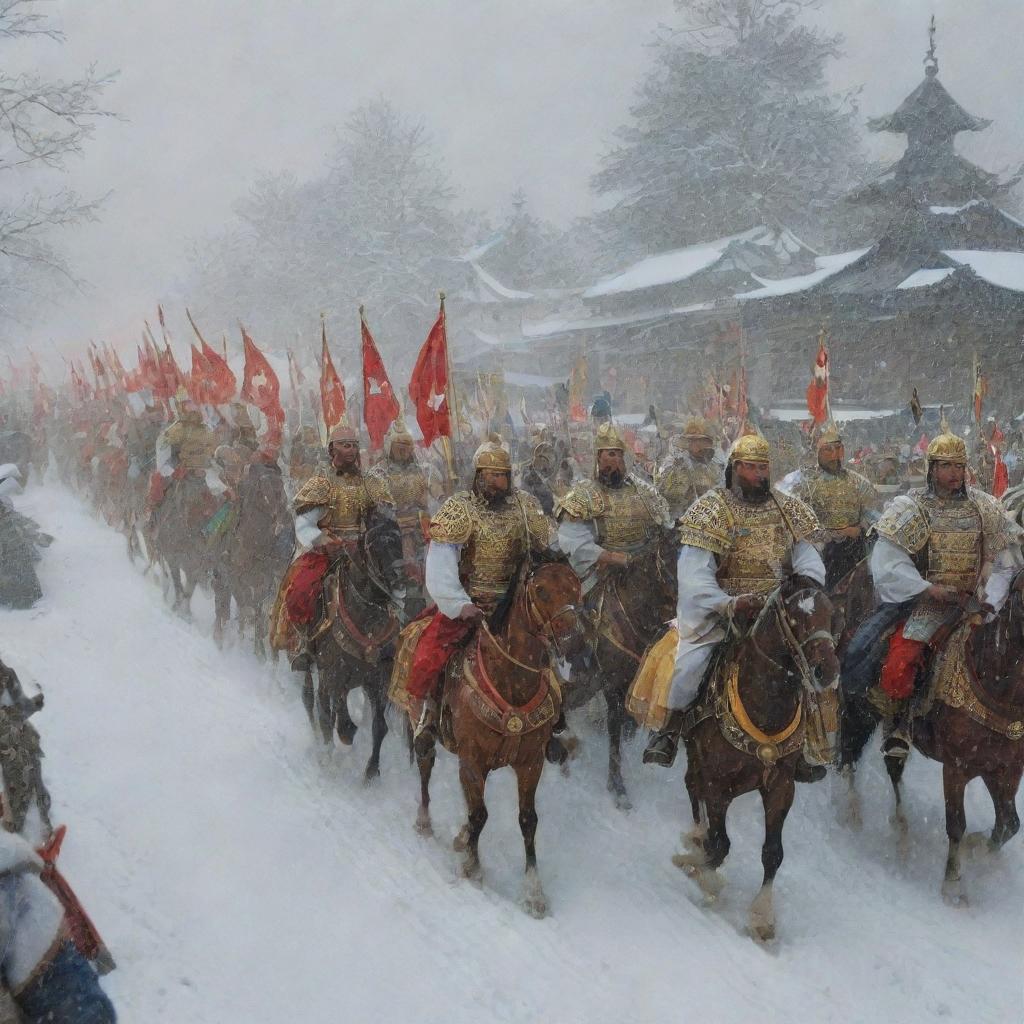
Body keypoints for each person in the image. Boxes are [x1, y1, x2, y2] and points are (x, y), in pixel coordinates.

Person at [643, 432, 828, 779]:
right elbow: (695, 574)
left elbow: (807, 556)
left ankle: (808, 746)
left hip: (779, 612)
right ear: (734, 468)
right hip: (724, 611)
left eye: (763, 467)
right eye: (751, 467)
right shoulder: (712, 509)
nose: (759, 474)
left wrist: (803, 586)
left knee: (816, 661)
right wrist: (728, 603)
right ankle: (669, 729)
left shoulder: (788, 508)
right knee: (689, 665)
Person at [846, 422, 1021, 759]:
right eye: (946, 466)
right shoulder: (912, 508)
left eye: (959, 465)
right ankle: (899, 723)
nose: (955, 473)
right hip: (926, 605)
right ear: (932, 469)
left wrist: (992, 601)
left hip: (977, 604)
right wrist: (928, 589)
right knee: (900, 661)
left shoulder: (985, 507)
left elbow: (1005, 560)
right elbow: (888, 560)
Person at [405, 437, 552, 736]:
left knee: (552, 651)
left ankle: (553, 717)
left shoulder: (524, 506)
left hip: (515, 606)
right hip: (472, 603)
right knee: (430, 652)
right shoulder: (460, 509)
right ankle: (425, 711)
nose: (500, 481)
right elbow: (441, 563)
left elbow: (548, 547)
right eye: (494, 475)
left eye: (504, 475)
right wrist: (460, 605)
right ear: (479, 476)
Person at [271, 424, 398, 670]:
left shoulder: (369, 483)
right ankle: (306, 643)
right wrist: (321, 539)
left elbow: (382, 515)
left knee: (393, 587)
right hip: (328, 551)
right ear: (333, 449)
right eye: (344, 445)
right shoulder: (322, 483)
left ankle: (389, 644)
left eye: (353, 445)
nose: (350, 451)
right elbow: (304, 522)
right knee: (301, 590)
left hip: (362, 549)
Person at [556, 422, 670, 599]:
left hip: (647, 570)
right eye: (610, 454)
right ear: (599, 457)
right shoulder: (583, 494)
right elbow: (573, 541)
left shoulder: (643, 490)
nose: (616, 460)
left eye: (619, 454)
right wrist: (611, 557)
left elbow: (662, 526)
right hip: (603, 576)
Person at [789, 422, 878, 587]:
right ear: (817, 452)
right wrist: (824, 535)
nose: (834, 455)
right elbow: (795, 523)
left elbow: (875, 519)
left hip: (853, 553)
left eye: (838, 449)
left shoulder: (859, 483)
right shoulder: (804, 484)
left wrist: (861, 530)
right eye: (828, 450)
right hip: (818, 554)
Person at [365, 421, 432, 613]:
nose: (404, 452)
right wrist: (403, 520)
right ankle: (394, 590)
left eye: (407, 447)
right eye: (399, 447)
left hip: (416, 531)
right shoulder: (378, 473)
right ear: (389, 447)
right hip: (388, 530)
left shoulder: (419, 472)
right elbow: (383, 506)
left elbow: (424, 503)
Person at [654, 416, 724, 520]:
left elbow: (720, 490)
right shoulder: (675, 462)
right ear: (688, 442)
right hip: (681, 518)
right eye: (694, 441)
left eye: (703, 441)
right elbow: (666, 493)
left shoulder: (713, 465)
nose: (699, 445)